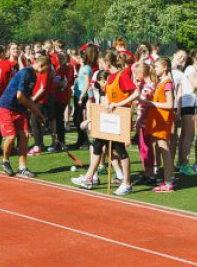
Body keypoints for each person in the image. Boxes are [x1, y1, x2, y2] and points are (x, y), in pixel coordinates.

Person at [72, 51, 138, 196]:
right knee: (97, 144)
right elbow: (108, 97)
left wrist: (118, 104)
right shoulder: (109, 78)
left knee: (119, 150)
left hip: (120, 117)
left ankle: (126, 183)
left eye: (102, 63)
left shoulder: (122, 75)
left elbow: (135, 93)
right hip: (109, 117)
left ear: (108, 63)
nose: (100, 65)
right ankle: (89, 177)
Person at [0, 55, 48, 178]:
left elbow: (28, 98)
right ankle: (5, 161)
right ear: (41, 65)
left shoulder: (34, 76)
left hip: (19, 110)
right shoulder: (26, 73)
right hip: (6, 107)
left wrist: (37, 113)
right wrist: (32, 109)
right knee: (11, 137)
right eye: (46, 68)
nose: (46, 71)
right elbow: (20, 96)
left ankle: (22, 168)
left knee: (25, 136)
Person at [144, 56, 177, 192]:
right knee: (162, 148)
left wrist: (152, 103)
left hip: (163, 120)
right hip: (158, 120)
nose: (154, 69)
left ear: (165, 67)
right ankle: (168, 179)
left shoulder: (167, 82)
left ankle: (168, 181)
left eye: (157, 67)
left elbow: (170, 104)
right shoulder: (160, 82)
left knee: (164, 149)